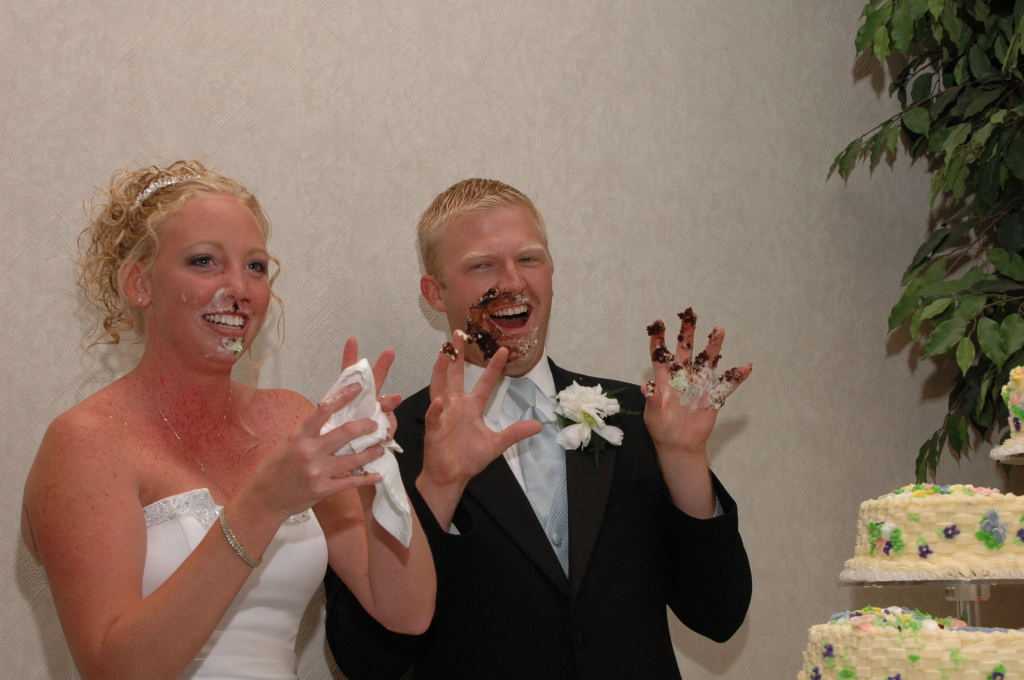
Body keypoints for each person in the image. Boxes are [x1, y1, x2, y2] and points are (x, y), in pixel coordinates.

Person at [20, 161, 444, 679]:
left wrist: (378, 471)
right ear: (140, 283)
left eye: (256, 267)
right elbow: (114, 669)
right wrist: (262, 504)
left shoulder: (290, 419)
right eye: (204, 261)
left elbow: (406, 612)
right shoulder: (86, 442)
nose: (239, 288)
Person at [324, 178, 753, 679]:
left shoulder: (641, 416)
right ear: (435, 292)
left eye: (529, 259)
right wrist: (438, 488)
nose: (513, 281)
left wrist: (684, 458)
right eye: (482, 265)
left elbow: (719, 614)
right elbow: (366, 663)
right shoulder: (386, 444)